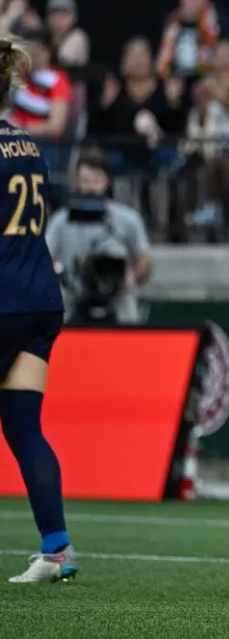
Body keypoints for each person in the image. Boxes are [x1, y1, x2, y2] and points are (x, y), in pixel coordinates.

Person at [0, 37, 77, 583]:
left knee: (26, 430)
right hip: (39, 298)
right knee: (25, 428)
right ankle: (57, 551)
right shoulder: (26, 143)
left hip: (4, 298)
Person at [44, 148, 152, 325]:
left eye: (96, 180)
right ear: (76, 183)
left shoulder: (127, 219)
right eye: (86, 181)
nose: (91, 187)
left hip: (119, 311)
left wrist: (132, 274)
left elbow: (145, 262)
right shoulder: (60, 221)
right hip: (73, 308)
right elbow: (44, 258)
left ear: (106, 182)